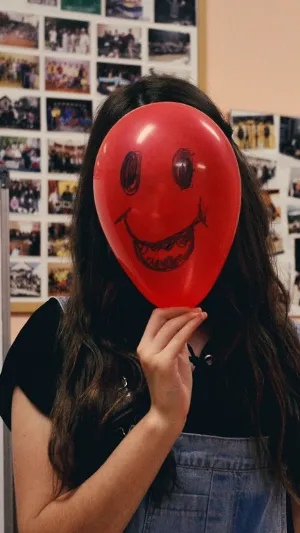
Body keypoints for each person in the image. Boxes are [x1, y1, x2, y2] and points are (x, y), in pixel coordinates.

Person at [1, 74, 300, 533]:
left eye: (183, 175)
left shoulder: (275, 347)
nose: (159, 210)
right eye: (134, 181)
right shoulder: (55, 341)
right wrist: (160, 423)